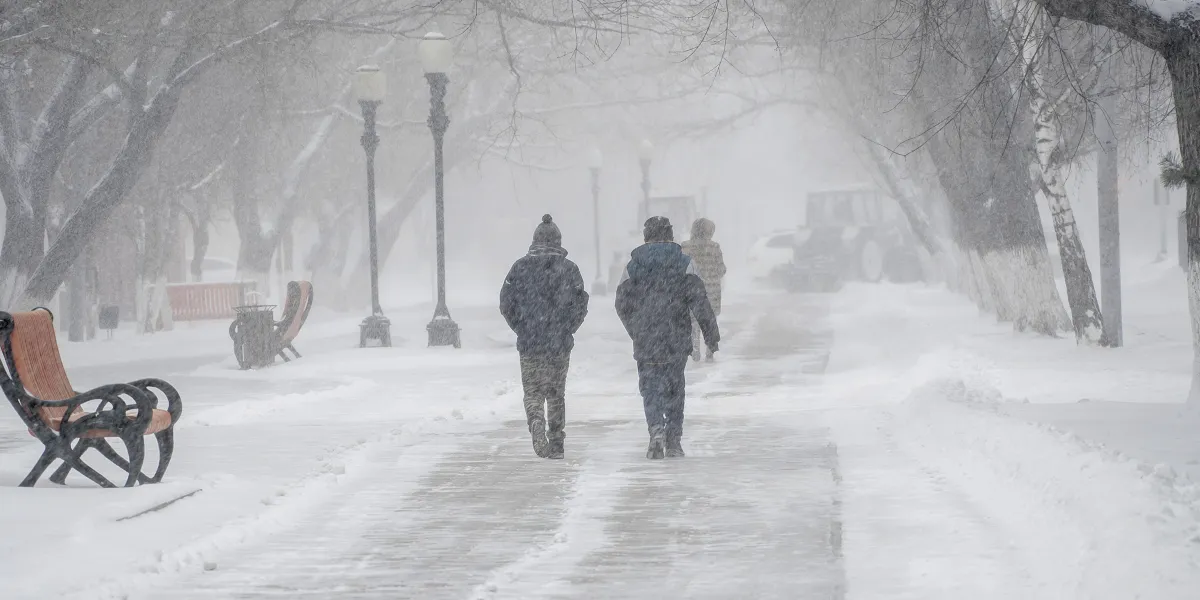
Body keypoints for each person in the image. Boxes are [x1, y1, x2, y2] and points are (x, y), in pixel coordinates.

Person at [616, 216, 720, 459]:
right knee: (675, 388)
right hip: (675, 336)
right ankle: (673, 440)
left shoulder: (633, 266)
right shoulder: (684, 262)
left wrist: (636, 327)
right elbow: (700, 300)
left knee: (650, 387)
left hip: (647, 339)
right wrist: (711, 335)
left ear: (646, 236)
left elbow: (621, 302)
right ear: (671, 235)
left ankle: (655, 429)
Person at [500, 215, 589, 459]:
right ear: (558, 241)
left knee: (532, 391)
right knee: (556, 392)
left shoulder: (519, 268)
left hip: (530, 343)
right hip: (559, 342)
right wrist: (568, 327)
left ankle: (536, 420)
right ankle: (557, 440)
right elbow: (581, 303)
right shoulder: (569, 269)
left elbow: (506, 303)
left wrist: (522, 327)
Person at [680, 218, 727, 362]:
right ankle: (710, 350)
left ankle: (694, 349)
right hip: (710, 291)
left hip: (691, 290)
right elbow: (721, 269)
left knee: (693, 322)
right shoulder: (714, 247)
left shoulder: (684, 247)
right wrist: (712, 276)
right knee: (709, 321)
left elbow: (680, 268)